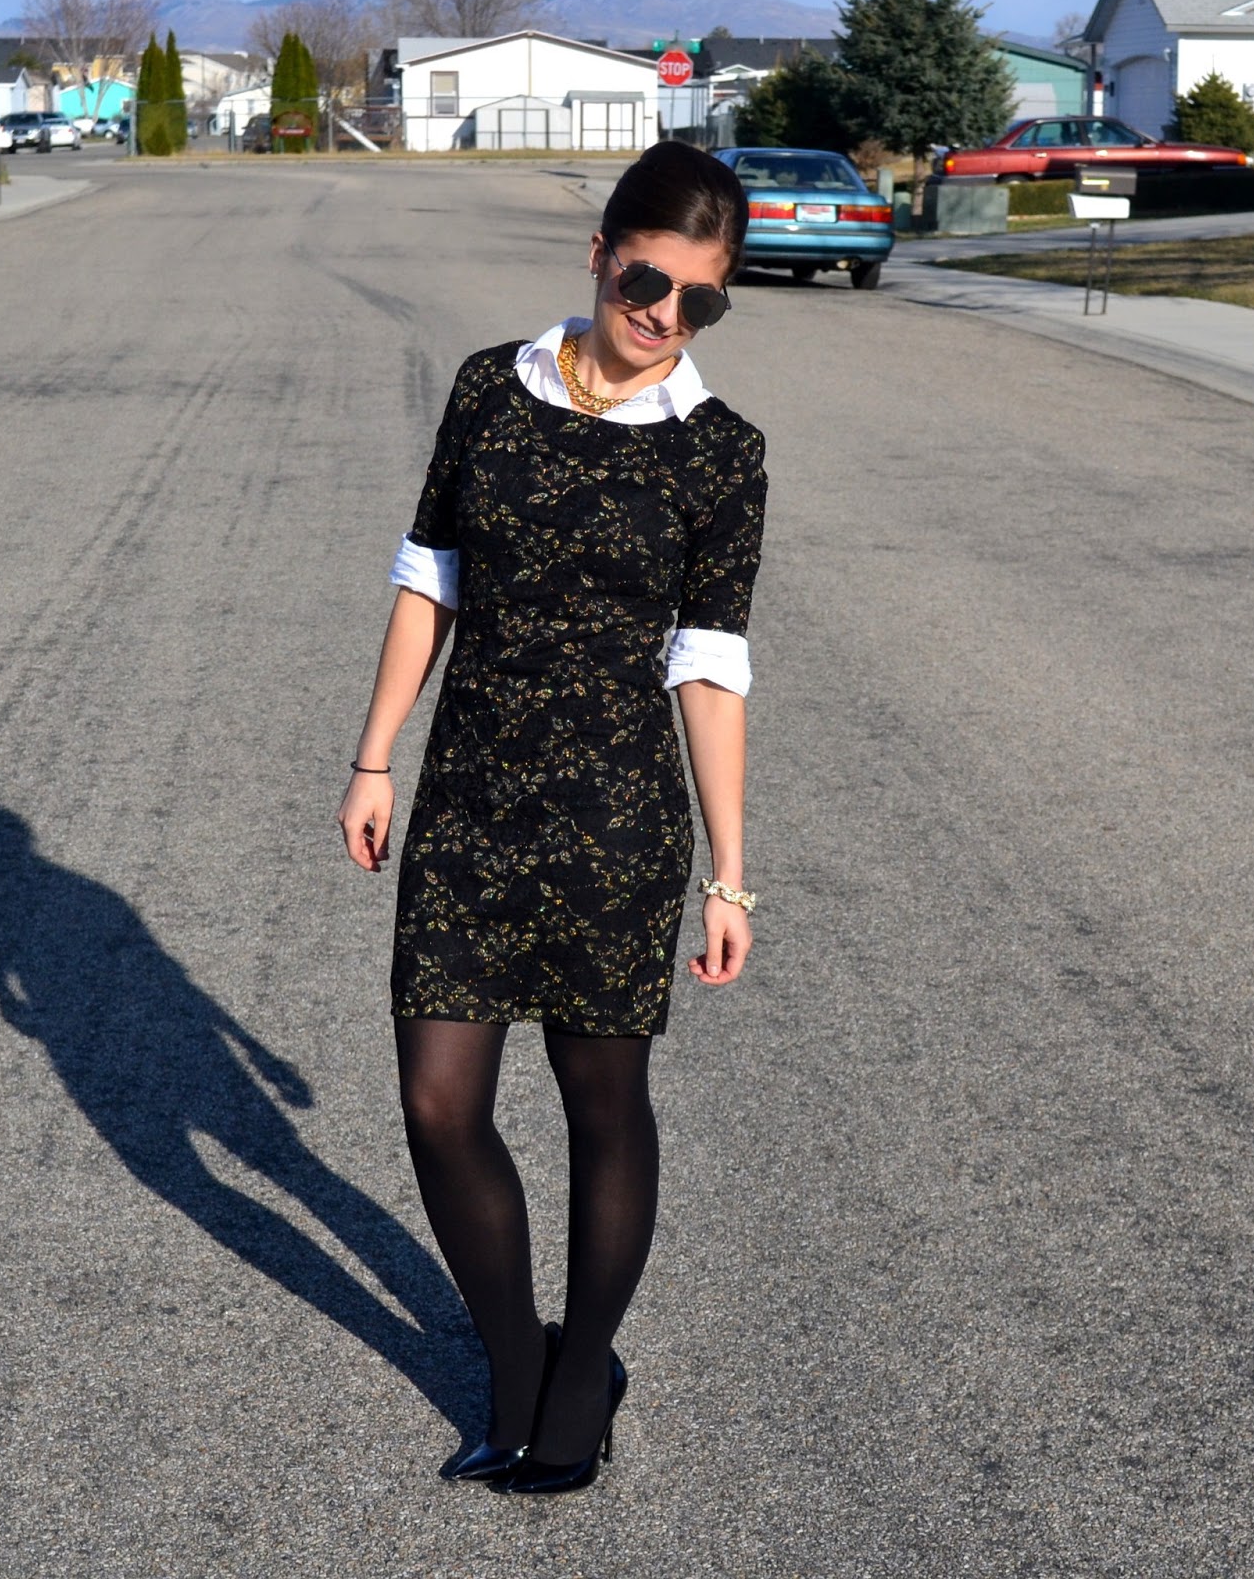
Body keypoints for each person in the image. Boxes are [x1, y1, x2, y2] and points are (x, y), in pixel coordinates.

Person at [337, 140, 767, 1495]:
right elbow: (429, 579)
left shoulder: (721, 454)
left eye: (701, 299)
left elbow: (711, 669)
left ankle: (579, 1384)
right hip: (472, 797)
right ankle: (515, 1355)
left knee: (603, 1102)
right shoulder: (489, 389)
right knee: (437, 1101)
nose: (665, 316)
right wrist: (374, 759)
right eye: (647, 282)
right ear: (599, 255)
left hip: (617, 820)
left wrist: (730, 875)